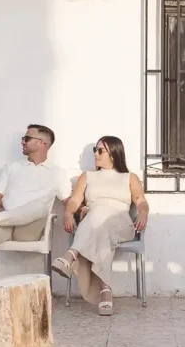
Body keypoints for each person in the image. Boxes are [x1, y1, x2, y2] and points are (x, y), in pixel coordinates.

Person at [0, 124, 71, 282]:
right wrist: (3, 215)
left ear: (42, 143)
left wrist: (72, 213)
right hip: (6, 225)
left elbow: (67, 200)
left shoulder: (58, 173)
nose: (22, 141)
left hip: (30, 229)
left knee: (40, 205)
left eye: (27, 138)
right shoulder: (12, 168)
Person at [52, 135, 148, 316]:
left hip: (120, 223)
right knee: (98, 221)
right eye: (94, 150)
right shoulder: (87, 177)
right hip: (97, 224)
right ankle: (105, 291)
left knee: (97, 214)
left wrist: (143, 212)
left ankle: (71, 254)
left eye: (100, 150)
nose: (96, 154)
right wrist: (68, 213)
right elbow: (74, 200)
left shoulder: (129, 177)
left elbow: (140, 201)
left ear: (113, 153)